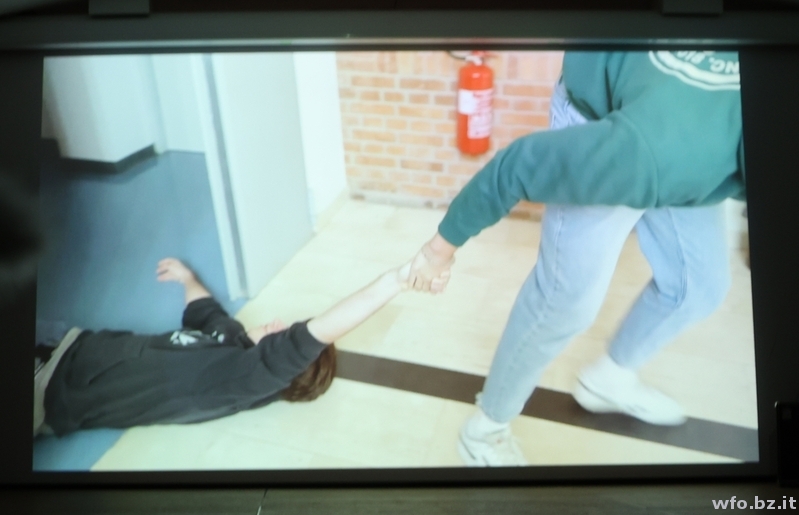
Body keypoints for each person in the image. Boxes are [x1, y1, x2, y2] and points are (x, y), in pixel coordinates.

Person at [408, 51, 745, 466]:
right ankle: (486, 427)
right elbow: (516, 168)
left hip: (674, 137)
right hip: (605, 115)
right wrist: (437, 252)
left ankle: (610, 379)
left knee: (700, 286)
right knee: (564, 302)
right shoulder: (641, 157)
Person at [34, 257, 442, 436]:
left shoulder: (236, 381)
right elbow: (205, 310)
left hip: (48, 387)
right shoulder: (234, 340)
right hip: (66, 341)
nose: (278, 324)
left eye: (283, 335)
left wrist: (396, 281)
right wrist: (187, 277)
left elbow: (316, 334)